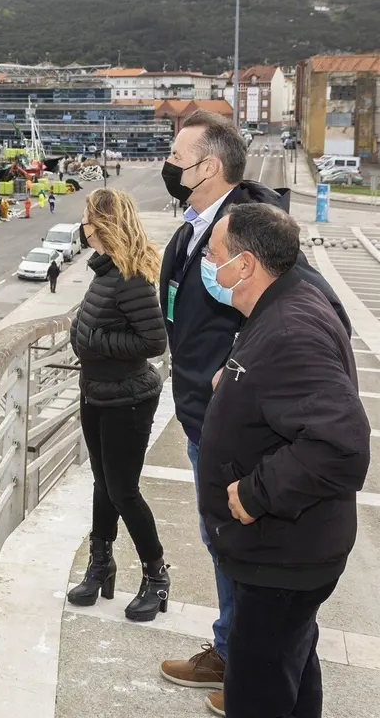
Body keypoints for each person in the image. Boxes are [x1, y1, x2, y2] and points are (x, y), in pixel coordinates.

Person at [156, 109, 352, 715]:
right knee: (283, 644)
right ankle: (234, 645)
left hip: (268, 503)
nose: (169, 165)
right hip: (211, 422)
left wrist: (257, 492)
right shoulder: (198, 225)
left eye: (178, 156)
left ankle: (241, 655)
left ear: (209, 166)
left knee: (265, 662)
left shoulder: (254, 234)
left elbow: (338, 440)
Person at [199, 204, 368, 717]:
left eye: (214, 255)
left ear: (245, 265)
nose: (208, 263)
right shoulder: (283, 303)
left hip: (283, 554)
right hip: (289, 550)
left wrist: (255, 493)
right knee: (292, 669)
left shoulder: (291, 327)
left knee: (258, 691)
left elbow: (341, 444)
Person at [68, 188, 169, 621]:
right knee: (102, 485)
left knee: (124, 491)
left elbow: (155, 341)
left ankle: (157, 575)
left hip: (128, 398)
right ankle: (101, 563)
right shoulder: (104, 270)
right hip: (98, 392)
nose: (82, 226)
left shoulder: (129, 277)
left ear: (103, 224)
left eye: (88, 218)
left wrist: (96, 340)